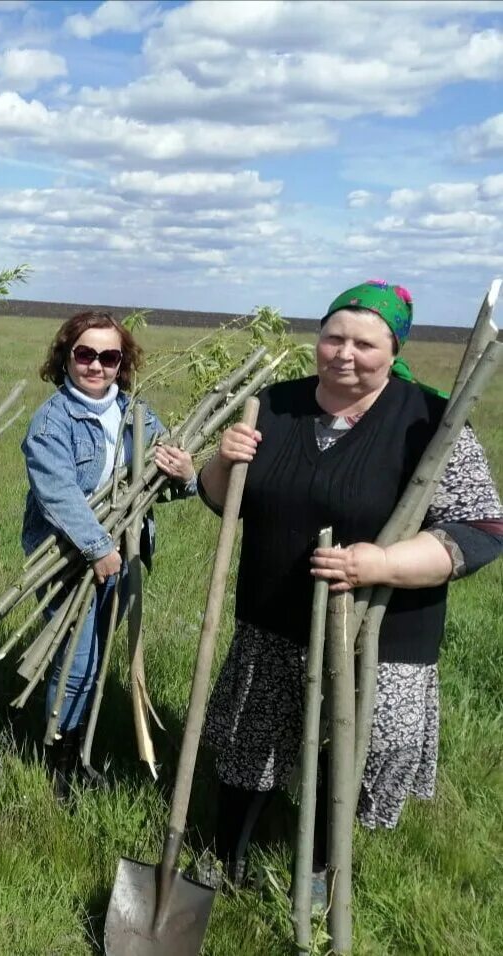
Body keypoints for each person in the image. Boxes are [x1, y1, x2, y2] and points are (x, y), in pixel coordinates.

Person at [199, 280, 503, 892]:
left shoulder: (431, 421)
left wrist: (382, 564)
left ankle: (316, 871)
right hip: (273, 618)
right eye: (333, 337)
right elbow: (219, 500)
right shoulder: (274, 405)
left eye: (365, 343)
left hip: (381, 634)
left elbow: (482, 527)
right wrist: (224, 460)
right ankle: (221, 856)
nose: (344, 353)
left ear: (394, 350)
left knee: (347, 755)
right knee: (247, 745)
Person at [21, 310, 197, 799]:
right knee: (75, 660)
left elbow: (166, 483)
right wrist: (98, 547)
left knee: (97, 657)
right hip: (69, 558)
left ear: (123, 363)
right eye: (85, 354)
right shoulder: (51, 421)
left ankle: (80, 750)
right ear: (66, 357)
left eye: (109, 356)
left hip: (124, 555)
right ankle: (58, 758)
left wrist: (184, 473)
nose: (96, 365)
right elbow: (58, 494)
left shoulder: (138, 414)